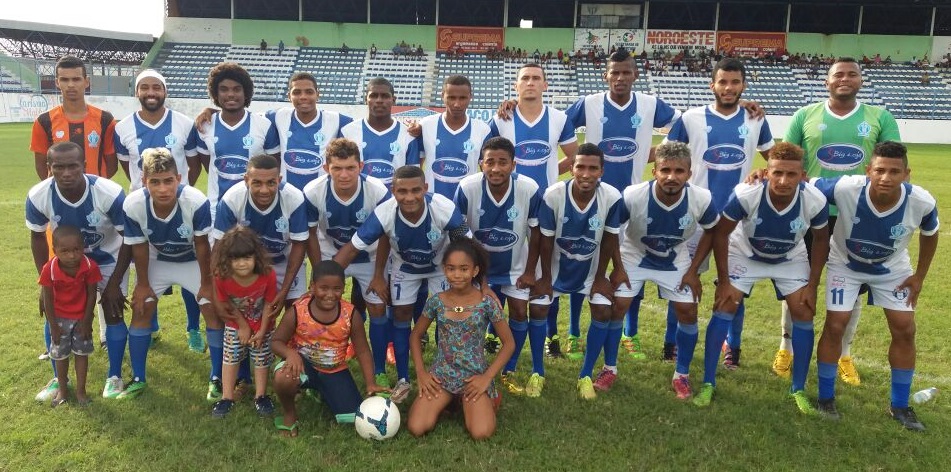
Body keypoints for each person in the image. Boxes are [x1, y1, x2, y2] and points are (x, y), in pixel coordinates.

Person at [776, 57, 901, 386]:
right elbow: (785, 158)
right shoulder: (805, 115)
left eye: (852, 74)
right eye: (838, 74)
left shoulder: (880, 117)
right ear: (827, 81)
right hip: (809, 214)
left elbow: (894, 161)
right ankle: (786, 347)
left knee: (852, 289)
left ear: (861, 80)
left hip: (857, 217)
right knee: (798, 284)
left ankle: (845, 353)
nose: (845, 79)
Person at [563, 48, 682, 361]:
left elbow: (682, 124)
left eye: (626, 72)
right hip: (592, 199)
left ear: (635, 75)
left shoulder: (650, 104)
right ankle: (574, 333)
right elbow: (557, 125)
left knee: (630, 267)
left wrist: (656, 154)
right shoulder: (589, 104)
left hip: (633, 201)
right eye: (614, 72)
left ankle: (631, 332)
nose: (620, 78)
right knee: (585, 264)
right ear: (606, 75)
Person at [693, 142, 828, 413]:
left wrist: (812, 286)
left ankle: (798, 388)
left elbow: (822, 240)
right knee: (725, 305)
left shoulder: (815, 199)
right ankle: (708, 382)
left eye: (791, 174)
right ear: (766, 173)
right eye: (777, 173)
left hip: (789, 257)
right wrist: (724, 281)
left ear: (803, 176)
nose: (783, 180)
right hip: (746, 254)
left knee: (803, 310)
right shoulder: (747, 194)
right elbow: (721, 233)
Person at [813, 142, 938, 430]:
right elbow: (804, 184)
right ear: (868, 170)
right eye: (880, 170)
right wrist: (762, 176)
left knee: (905, 328)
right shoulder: (846, 188)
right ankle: (825, 398)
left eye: (894, 171)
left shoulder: (921, 201)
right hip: (845, 264)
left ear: (906, 174)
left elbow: (931, 233)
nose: (886, 177)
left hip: (892, 269)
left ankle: (900, 406)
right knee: (836, 324)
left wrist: (919, 276)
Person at [662, 58, 774, 368]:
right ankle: (671, 342)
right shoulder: (691, 118)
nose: (728, 87)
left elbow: (775, 159)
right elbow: (665, 157)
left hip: (737, 219)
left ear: (744, 85)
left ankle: (732, 347)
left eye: (735, 82)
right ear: (712, 85)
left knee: (734, 285)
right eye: (723, 82)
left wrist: (763, 172)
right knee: (683, 279)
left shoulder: (756, 119)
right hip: (695, 216)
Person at [334, 165, 471, 403]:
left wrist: (480, 284)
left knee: (449, 315)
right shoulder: (384, 213)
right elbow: (352, 249)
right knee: (401, 314)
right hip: (405, 267)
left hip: (441, 267)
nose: (409, 197)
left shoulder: (444, 208)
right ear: (393, 191)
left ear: (425, 188)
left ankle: (448, 373)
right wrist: (325, 280)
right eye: (402, 191)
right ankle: (403, 378)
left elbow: (468, 247)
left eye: (416, 190)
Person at [599, 142, 718, 400]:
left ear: (689, 173)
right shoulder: (633, 195)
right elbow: (611, 231)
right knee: (617, 306)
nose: (671, 177)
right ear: (654, 171)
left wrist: (693, 271)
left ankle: (681, 374)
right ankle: (609, 369)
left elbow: (712, 232)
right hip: (635, 254)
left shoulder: (702, 198)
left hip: (675, 257)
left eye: (679, 171)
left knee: (688, 310)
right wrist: (618, 267)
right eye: (665, 170)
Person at [26, 142, 129, 401]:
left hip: (107, 259)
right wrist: (46, 283)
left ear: (84, 165)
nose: (66, 173)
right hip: (65, 262)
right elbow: (37, 237)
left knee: (113, 311)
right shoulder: (39, 195)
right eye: (59, 167)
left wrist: (114, 283)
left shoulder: (109, 193)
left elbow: (129, 239)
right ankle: (59, 379)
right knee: (56, 313)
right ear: (49, 168)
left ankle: (114, 376)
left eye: (73, 166)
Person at [489, 64, 578, 358]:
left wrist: (552, 174)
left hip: (546, 207)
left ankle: (552, 335)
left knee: (545, 272)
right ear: (516, 85)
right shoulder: (501, 119)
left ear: (545, 85)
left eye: (536, 78)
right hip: (508, 207)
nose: (530, 82)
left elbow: (575, 158)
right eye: (525, 78)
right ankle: (493, 333)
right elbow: (487, 158)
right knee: (502, 267)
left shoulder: (559, 118)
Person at [114, 69, 205, 354]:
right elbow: (127, 166)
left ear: (165, 91)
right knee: (145, 268)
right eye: (145, 87)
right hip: (143, 211)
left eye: (157, 87)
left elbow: (194, 165)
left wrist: (179, 191)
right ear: (137, 92)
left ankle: (193, 328)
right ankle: (151, 326)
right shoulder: (123, 128)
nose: (151, 92)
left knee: (190, 264)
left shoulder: (184, 123)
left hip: (180, 206)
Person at [119, 148, 222, 400]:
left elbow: (202, 246)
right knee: (142, 307)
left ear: (179, 178)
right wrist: (143, 284)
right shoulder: (133, 204)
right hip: (158, 259)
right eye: (155, 182)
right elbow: (139, 247)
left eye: (168, 181)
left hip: (192, 260)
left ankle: (217, 377)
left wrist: (207, 284)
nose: (163, 189)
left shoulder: (195, 201)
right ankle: (138, 378)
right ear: (144, 181)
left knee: (211, 307)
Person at [532, 144, 623, 399]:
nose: (586, 173)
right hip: (554, 267)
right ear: (571, 168)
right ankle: (537, 372)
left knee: (603, 309)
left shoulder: (612, 197)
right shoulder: (553, 195)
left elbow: (610, 238)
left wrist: (601, 277)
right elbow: (545, 240)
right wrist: (546, 278)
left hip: (590, 269)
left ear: (601, 171)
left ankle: (585, 374)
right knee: (538, 307)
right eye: (580, 167)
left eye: (593, 168)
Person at [455, 137, 543, 396]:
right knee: (471, 313)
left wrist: (530, 271)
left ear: (513, 164)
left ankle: (509, 368)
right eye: (490, 162)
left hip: (515, 265)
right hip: (476, 267)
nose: (495, 168)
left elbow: (536, 232)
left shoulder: (528, 188)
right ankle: (471, 364)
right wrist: (480, 280)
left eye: (503, 162)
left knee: (519, 310)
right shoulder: (467, 187)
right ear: (481, 164)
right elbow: (458, 234)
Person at [302, 138, 391, 386]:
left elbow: (386, 234)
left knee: (377, 308)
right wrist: (319, 271)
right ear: (326, 168)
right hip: (330, 254)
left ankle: (379, 368)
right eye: (337, 168)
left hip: (370, 256)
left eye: (350, 168)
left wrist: (379, 274)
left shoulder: (378, 191)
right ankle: (320, 364)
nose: (344, 175)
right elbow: (310, 234)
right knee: (323, 304)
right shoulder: (313, 191)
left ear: (361, 166)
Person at [407, 238, 514, 440]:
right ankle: (450, 400)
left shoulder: (487, 303)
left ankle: (483, 399)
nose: (457, 275)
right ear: (444, 270)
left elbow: (509, 344)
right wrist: (421, 373)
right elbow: (415, 335)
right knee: (417, 427)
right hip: (442, 376)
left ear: (475, 271)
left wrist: (486, 378)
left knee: (481, 433)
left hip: (474, 377)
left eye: (464, 269)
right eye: (451, 269)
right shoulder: (436, 301)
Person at [271, 260, 388, 437]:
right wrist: (290, 354)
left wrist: (370, 382)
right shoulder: (298, 311)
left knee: (351, 418)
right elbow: (276, 341)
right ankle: (289, 414)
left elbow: (363, 350)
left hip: (334, 370)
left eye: (337, 289)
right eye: (323, 288)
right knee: (283, 377)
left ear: (344, 288)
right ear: (312, 287)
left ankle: (323, 390)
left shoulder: (351, 315)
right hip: (302, 366)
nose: (330, 294)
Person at [195, 72, 352, 192]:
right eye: (297, 92)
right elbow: (240, 115)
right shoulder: (278, 116)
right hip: (285, 196)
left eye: (309, 92)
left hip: (320, 195)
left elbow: (360, 125)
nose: (303, 97)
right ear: (289, 96)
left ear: (318, 94)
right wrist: (211, 111)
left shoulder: (337, 120)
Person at [213, 154, 308, 313]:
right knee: (237, 310)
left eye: (271, 182)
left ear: (279, 179)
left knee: (296, 311)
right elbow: (219, 247)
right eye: (257, 183)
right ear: (246, 180)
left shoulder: (294, 198)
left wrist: (284, 291)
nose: (264, 190)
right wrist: (217, 289)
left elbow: (299, 245)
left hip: (285, 261)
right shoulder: (231, 199)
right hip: (248, 264)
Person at [192, 62, 280, 218]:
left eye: (237, 89)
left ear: (246, 93)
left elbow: (274, 166)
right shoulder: (204, 126)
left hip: (255, 209)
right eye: (224, 89)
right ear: (215, 94)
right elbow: (209, 166)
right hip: (217, 208)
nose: (231, 94)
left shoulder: (264, 125)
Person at [210, 226, 278, 418]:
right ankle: (227, 397)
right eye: (235, 259)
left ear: (256, 256)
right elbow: (227, 303)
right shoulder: (221, 276)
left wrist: (262, 330)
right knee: (230, 357)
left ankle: (261, 396)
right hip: (236, 325)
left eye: (247, 257)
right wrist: (243, 326)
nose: (241, 264)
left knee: (261, 357)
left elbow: (269, 303)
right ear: (227, 259)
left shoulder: (268, 274)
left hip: (263, 323)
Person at [39, 225, 102, 407]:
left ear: (83, 247)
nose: (72, 256)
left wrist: (87, 320)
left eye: (76, 249)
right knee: (60, 356)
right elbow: (47, 299)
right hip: (59, 320)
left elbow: (92, 294)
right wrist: (53, 326)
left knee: (82, 354)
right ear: (54, 250)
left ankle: (81, 392)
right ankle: (63, 390)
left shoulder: (90, 266)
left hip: (81, 319)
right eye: (65, 251)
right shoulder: (49, 269)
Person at [31, 55, 117, 180]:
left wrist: (93, 184)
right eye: (64, 80)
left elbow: (112, 165)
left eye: (76, 79)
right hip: (60, 190)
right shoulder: (44, 121)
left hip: (95, 190)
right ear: (57, 82)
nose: (70, 85)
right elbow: (41, 166)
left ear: (86, 81)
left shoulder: (105, 120)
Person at [418, 75, 492, 199]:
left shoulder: (483, 130)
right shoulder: (426, 125)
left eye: (462, 98)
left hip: (467, 201)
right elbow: (416, 167)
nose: (457, 104)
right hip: (432, 201)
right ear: (442, 96)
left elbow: (487, 171)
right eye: (451, 98)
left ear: (470, 97)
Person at [340, 78, 421, 187]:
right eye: (373, 96)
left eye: (385, 96)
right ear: (366, 99)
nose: (379, 100)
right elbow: (339, 171)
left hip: (393, 197)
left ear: (393, 100)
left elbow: (412, 178)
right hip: (358, 196)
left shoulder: (408, 135)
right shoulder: (348, 132)